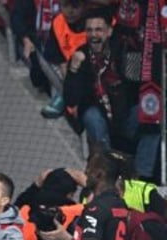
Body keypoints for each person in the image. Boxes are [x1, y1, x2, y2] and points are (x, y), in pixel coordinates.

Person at [64, 9, 161, 179]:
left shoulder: (123, 50)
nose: (94, 35)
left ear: (109, 31)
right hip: (101, 122)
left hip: (125, 116)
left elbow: (139, 83)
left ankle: (141, 176)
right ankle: (107, 173)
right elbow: (70, 99)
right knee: (91, 115)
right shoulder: (80, 56)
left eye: (99, 30)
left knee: (154, 115)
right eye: (90, 30)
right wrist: (73, 69)